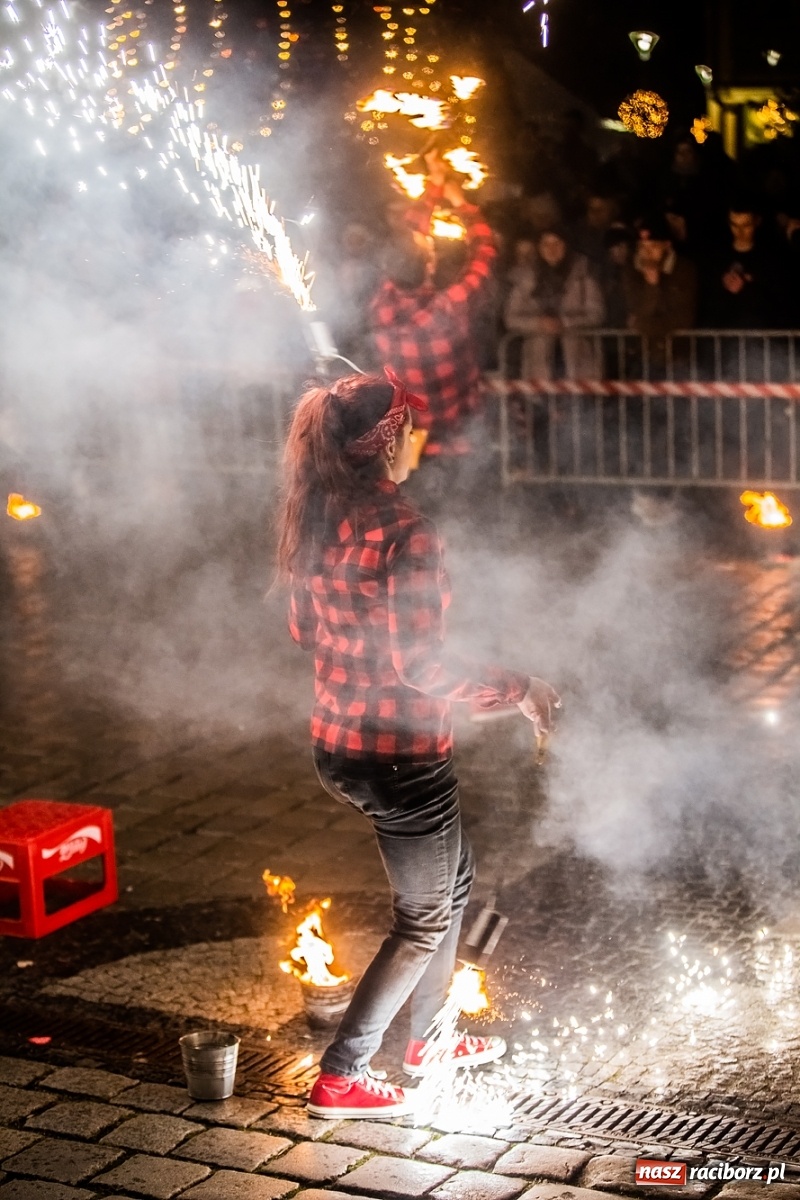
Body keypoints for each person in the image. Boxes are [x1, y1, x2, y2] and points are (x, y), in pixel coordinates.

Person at [277, 369, 559, 1119]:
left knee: (452, 883)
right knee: (425, 917)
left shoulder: (317, 512)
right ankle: (343, 1074)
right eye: (414, 426)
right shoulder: (407, 532)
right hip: (399, 757)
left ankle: (429, 1040)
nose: (422, 440)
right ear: (393, 439)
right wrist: (522, 689)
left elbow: (305, 630)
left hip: (337, 744)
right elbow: (424, 667)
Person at [369, 155, 496, 457]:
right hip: (457, 442)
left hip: (408, 440)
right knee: (460, 503)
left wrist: (435, 185)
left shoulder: (380, 305)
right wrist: (462, 204)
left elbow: (410, 238)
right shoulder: (450, 306)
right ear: (430, 263)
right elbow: (485, 251)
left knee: (412, 502)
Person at [503, 226, 604, 379]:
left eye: (557, 243)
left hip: (578, 363)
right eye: (546, 244)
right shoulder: (525, 279)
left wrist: (564, 322)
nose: (551, 249)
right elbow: (511, 317)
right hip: (538, 365)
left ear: (566, 246)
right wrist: (539, 323)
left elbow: (597, 313)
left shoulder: (584, 275)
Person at [624, 215, 697, 364]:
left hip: (678, 357)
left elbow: (682, 320)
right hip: (642, 357)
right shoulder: (631, 270)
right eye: (643, 247)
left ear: (667, 245)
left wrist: (642, 325)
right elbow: (635, 309)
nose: (647, 253)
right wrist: (651, 286)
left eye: (653, 246)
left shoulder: (684, 270)